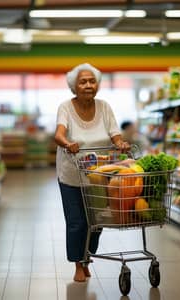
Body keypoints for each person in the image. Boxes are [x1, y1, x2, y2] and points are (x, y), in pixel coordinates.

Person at [54, 63, 130, 282]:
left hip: (99, 174)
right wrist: (68, 143)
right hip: (71, 174)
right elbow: (58, 134)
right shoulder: (65, 108)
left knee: (96, 221)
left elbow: (115, 134)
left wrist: (120, 143)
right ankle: (78, 264)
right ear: (74, 86)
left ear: (97, 85)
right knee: (77, 221)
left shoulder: (104, 107)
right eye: (83, 81)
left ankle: (87, 258)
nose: (88, 85)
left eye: (92, 81)